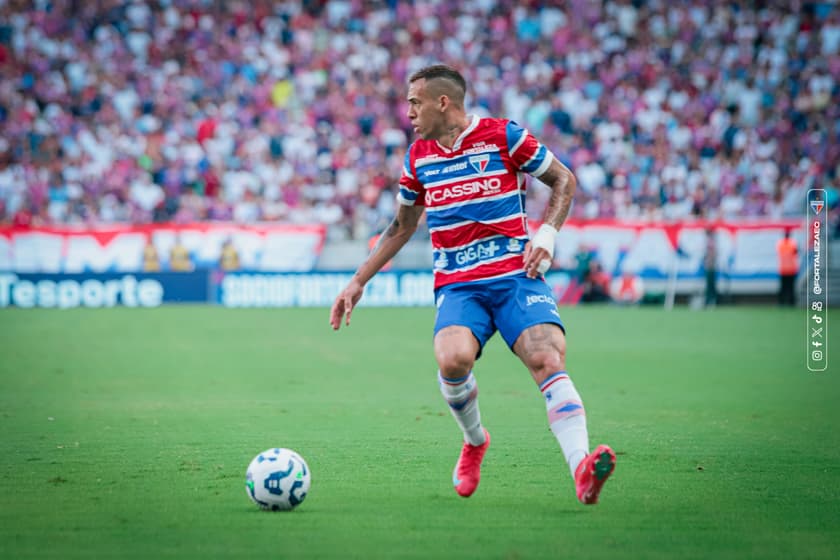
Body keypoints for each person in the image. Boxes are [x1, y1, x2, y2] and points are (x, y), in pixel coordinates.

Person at [330, 65, 615, 505]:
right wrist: (357, 281)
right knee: (453, 360)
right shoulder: (417, 157)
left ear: (442, 102)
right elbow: (401, 227)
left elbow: (564, 179)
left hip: (517, 276)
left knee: (546, 356)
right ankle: (476, 440)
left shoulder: (505, 136)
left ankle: (581, 467)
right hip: (459, 285)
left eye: (414, 102)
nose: (407, 112)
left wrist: (546, 234)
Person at [776, 229, 798, 306]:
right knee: (791, 288)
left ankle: (781, 302)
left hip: (783, 269)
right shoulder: (792, 243)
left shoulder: (780, 244)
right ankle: (791, 302)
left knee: (783, 287)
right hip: (791, 269)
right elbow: (796, 252)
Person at [703, 228, 718, 307]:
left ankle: (711, 300)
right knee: (710, 285)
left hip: (711, 266)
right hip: (709, 266)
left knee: (710, 285)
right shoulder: (710, 242)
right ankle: (710, 300)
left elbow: (713, 254)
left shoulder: (711, 242)